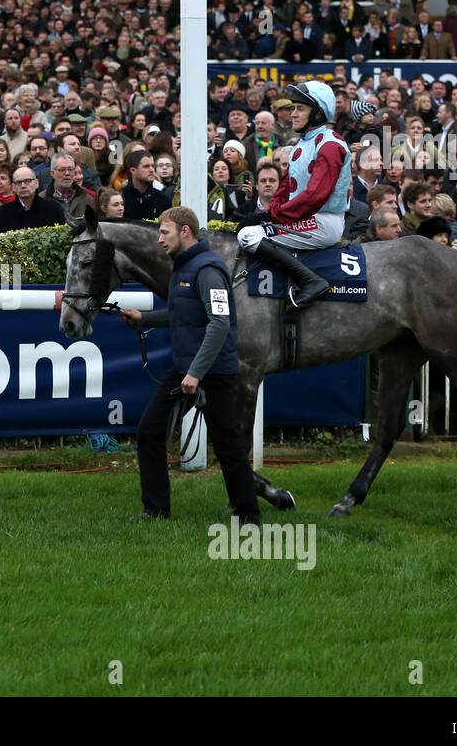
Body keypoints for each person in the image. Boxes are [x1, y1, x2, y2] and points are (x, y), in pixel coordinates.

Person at [118, 206, 258, 526]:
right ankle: (155, 509)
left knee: (227, 446)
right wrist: (144, 318)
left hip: (212, 372)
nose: (159, 240)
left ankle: (248, 516)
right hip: (185, 367)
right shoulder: (183, 267)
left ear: (185, 232)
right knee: (149, 431)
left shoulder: (208, 269)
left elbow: (219, 323)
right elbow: (183, 314)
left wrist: (196, 372)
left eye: (164, 232)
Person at [237, 81, 352, 309]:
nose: (293, 114)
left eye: (300, 109)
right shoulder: (302, 143)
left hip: (323, 221)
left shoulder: (330, 145)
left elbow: (314, 196)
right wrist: (268, 212)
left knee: (249, 236)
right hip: (303, 218)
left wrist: (272, 216)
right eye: (293, 108)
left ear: (318, 113)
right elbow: (285, 189)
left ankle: (311, 280)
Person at [0, 166, 66, 231]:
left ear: (36, 183)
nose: (23, 186)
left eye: (27, 181)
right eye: (18, 182)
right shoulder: (2, 213)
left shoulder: (53, 209)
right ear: (13, 187)